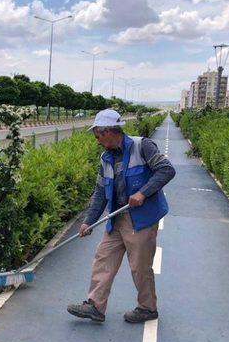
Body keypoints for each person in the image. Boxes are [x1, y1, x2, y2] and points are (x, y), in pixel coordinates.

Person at [67, 109, 176, 323]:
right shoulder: (105, 158)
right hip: (116, 218)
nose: (97, 140)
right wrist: (88, 221)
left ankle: (147, 308)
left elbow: (166, 170)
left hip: (141, 219)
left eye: (97, 136)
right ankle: (95, 306)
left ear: (108, 131)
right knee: (103, 257)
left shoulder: (141, 146)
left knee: (139, 266)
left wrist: (142, 193)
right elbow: (100, 193)